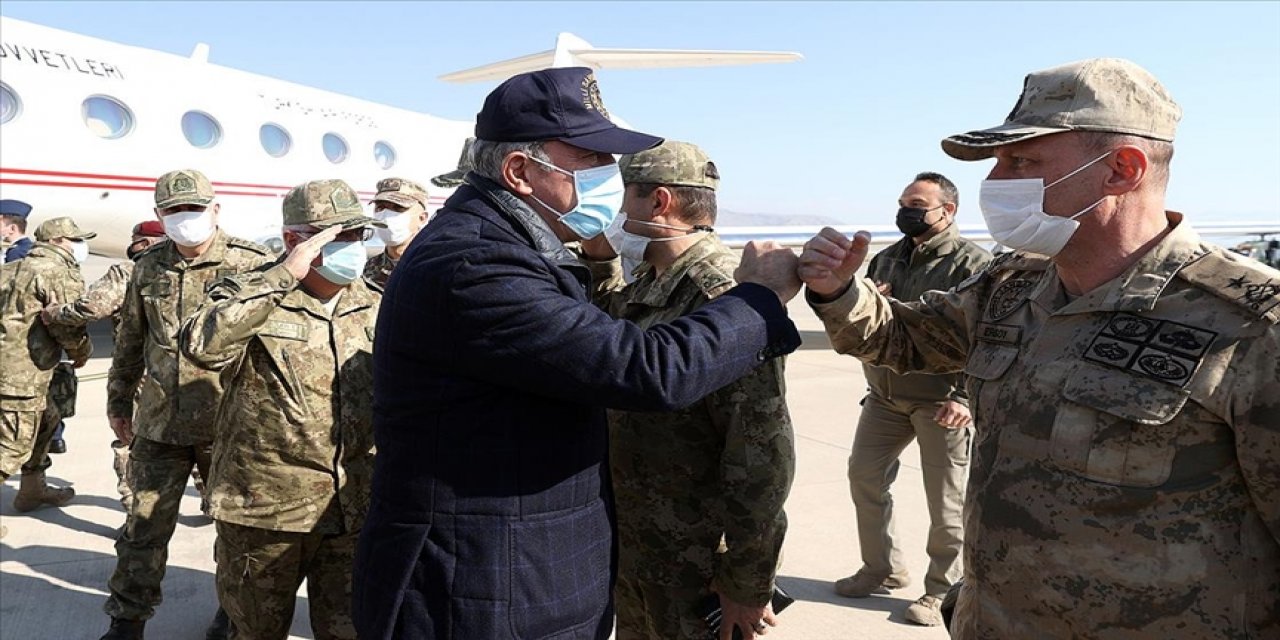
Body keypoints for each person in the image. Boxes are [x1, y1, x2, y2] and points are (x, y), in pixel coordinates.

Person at [798, 58, 1280, 639]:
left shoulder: (1252, 324)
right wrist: (839, 290)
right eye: (999, 162)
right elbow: (905, 339)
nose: (996, 182)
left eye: (1021, 162)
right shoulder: (1012, 286)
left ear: (1121, 170)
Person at [354, 67, 803, 640]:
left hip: (521, 578)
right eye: (591, 160)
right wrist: (760, 297)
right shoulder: (476, 262)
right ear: (520, 172)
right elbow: (643, 370)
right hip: (482, 591)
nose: (608, 176)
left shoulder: (502, 245)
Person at [584, 140, 795, 640]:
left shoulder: (721, 298)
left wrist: (748, 582)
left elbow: (760, 458)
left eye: (617, 198)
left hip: (695, 563)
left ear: (658, 202)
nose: (609, 213)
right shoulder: (652, 280)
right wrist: (597, 257)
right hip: (644, 546)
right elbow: (606, 332)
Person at [181, 179, 382, 640]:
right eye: (339, 236)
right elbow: (201, 346)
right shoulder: (251, 293)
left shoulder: (372, 302)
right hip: (266, 512)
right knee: (256, 631)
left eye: (359, 235)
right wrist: (282, 277)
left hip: (351, 508)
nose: (353, 246)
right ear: (294, 239)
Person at [100, 170, 273, 640]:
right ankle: (127, 620)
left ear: (215, 209)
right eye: (173, 211)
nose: (184, 218)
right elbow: (130, 340)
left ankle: (231, 613)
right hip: (160, 424)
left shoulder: (252, 263)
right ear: (159, 215)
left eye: (193, 208)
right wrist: (118, 401)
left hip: (229, 425)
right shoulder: (148, 266)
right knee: (142, 528)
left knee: (236, 532)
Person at [832, 172, 991, 626]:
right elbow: (866, 320)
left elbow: (986, 336)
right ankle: (881, 568)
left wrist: (963, 396)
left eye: (917, 205)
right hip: (884, 396)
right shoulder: (886, 260)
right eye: (903, 203)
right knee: (864, 477)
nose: (906, 212)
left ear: (947, 210)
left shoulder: (973, 264)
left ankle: (941, 591)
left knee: (946, 501)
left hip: (940, 402)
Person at [41, 220, 167, 511]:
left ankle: (135, 505)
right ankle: (206, 495)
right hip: (185, 372)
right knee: (193, 436)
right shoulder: (188, 270)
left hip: (139, 372)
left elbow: (92, 307)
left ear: (146, 243)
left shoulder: (128, 271)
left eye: (135, 238)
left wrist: (56, 313)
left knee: (129, 438)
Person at [0, 217, 94, 539]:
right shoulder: (57, 271)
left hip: (25, 369)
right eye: (74, 240)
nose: (79, 246)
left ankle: (32, 489)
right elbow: (67, 323)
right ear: (56, 241)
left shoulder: (11, 268)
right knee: (12, 446)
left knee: (47, 420)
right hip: (22, 375)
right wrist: (82, 351)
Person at [365, 177, 430, 287]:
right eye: (380, 207)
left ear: (422, 218)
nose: (386, 215)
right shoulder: (366, 269)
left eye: (398, 207)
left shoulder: (436, 266)